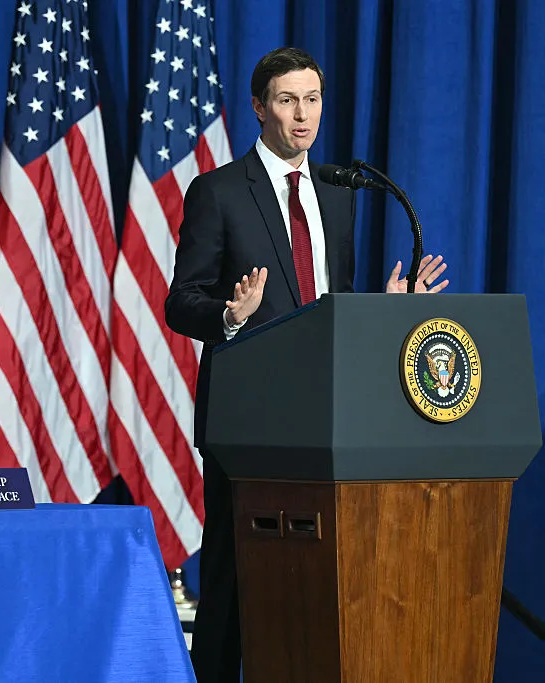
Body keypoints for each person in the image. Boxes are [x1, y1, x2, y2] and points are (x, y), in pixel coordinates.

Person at [164, 47, 448, 683]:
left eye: (313, 100)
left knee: (318, 580)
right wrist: (232, 314)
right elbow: (181, 302)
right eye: (288, 100)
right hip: (249, 420)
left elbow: (331, 313)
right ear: (260, 107)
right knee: (234, 581)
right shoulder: (218, 191)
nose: (303, 115)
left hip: (326, 423)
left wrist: (388, 312)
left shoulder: (338, 196)